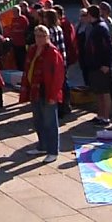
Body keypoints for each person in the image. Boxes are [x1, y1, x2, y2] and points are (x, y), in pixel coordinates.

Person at [20, 26, 65, 163]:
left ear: (47, 36)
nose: (39, 38)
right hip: (35, 90)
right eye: (37, 35)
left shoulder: (52, 52)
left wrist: (53, 95)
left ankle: (53, 151)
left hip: (47, 91)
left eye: (42, 35)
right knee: (38, 121)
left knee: (50, 122)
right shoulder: (33, 50)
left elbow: (58, 75)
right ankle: (42, 146)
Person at [82, 5, 112, 127]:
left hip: (101, 66)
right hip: (95, 65)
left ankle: (106, 117)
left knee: (104, 92)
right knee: (98, 92)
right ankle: (100, 115)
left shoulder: (101, 28)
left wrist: (106, 64)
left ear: (90, 15)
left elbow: (107, 47)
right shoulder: (96, 27)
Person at [10, 6, 29, 71]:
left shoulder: (23, 19)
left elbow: (26, 30)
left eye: (14, 11)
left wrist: (18, 31)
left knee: (22, 59)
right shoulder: (13, 19)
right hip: (15, 43)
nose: (13, 13)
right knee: (17, 59)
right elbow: (11, 29)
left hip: (22, 43)